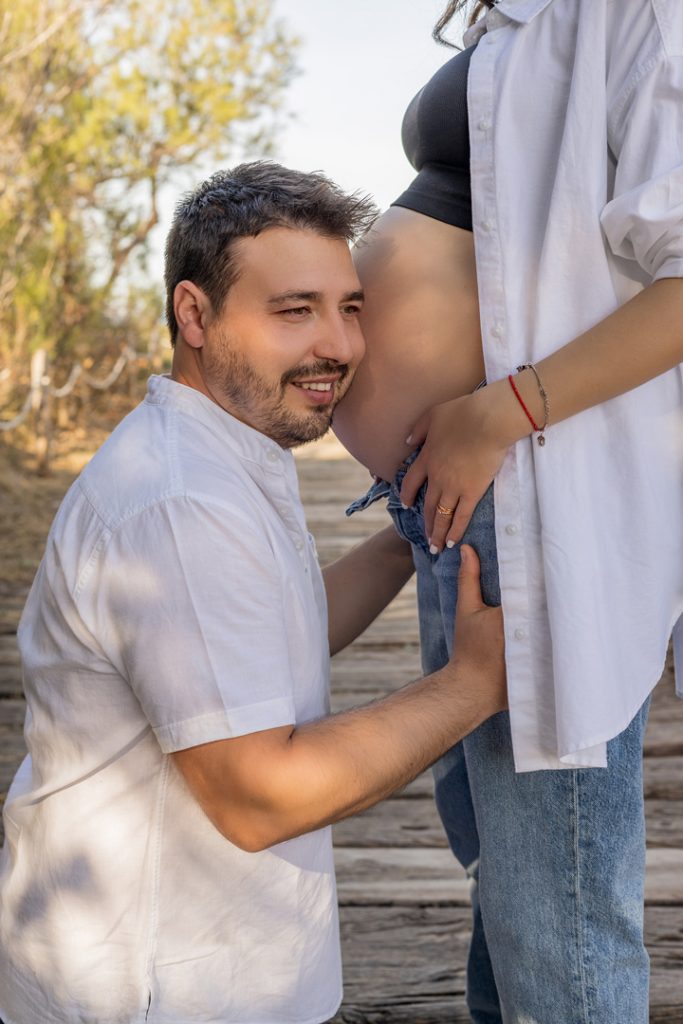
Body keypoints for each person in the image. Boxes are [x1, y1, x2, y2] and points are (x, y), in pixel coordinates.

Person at [0, 162, 506, 1024]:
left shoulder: (217, 452)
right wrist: (473, 685)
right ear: (194, 315)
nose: (339, 345)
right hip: (155, 992)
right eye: (294, 310)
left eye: (349, 308)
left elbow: (269, 628)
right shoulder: (181, 503)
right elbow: (259, 795)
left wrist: (403, 538)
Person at [333, 1, 683, 1021]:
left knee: (557, 914)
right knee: (511, 881)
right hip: (455, 502)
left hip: (529, 487)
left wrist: (499, 412)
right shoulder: (516, 19)